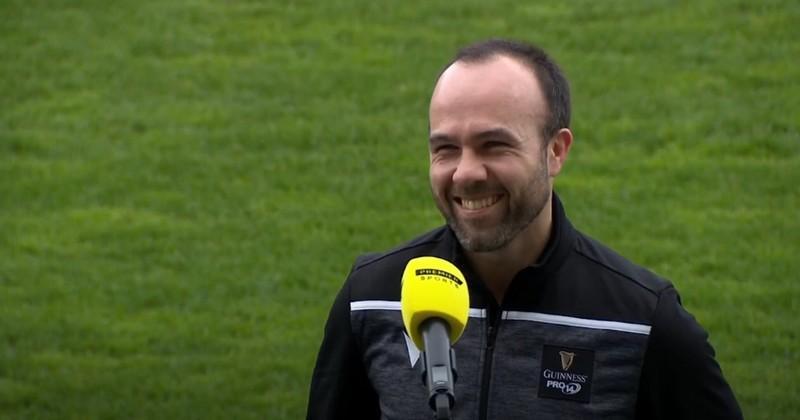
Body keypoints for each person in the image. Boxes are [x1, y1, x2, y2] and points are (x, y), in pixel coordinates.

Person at [306, 39, 742, 419]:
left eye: (493, 145)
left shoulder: (643, 322)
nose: (465, 173)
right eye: (445, 149)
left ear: (556, 151)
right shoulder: (370, 299)